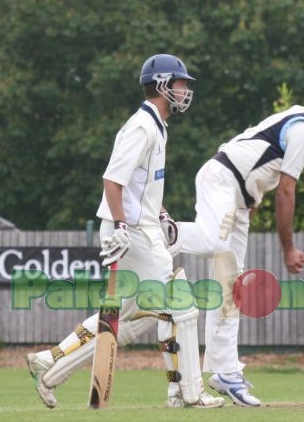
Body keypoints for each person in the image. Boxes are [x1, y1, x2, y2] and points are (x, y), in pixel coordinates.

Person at [25, 54, 223, 409]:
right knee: (182, 307)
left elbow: (140, 187)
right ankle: (188, 392)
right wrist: (120, 225)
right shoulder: (141, 127)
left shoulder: (157, 126)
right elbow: (112, 180)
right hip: (131, 233)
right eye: (181, 83)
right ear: (163, 85)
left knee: (130, 320)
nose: (185, 90)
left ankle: (50, 365)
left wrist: (161, 214)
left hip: (141, 228)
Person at [174, 81, 304, 406]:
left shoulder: (299, 123)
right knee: (214, 243)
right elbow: (287, 191)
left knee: (231, 288)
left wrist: (250, 206)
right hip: (222, 179)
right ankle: (164, 232)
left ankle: (225, 372)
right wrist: (288, 249)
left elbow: (259, 164)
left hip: (240, 197)